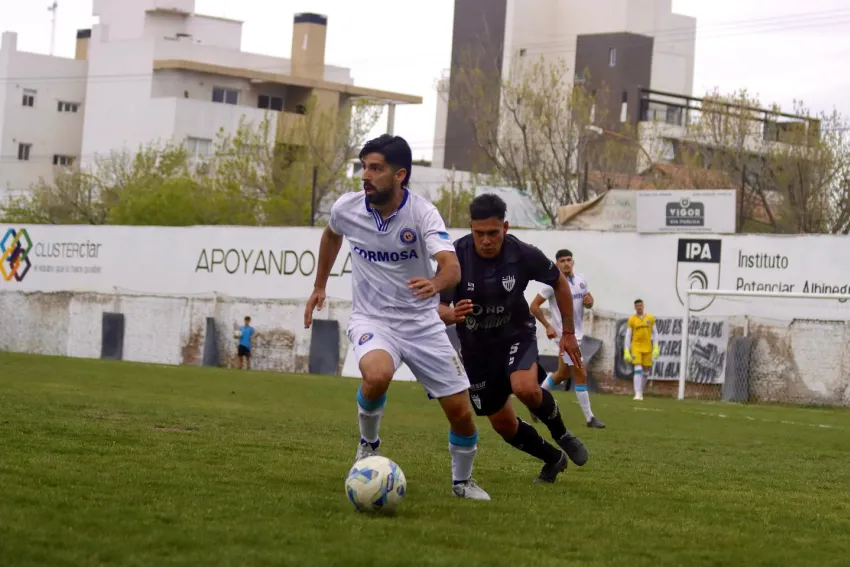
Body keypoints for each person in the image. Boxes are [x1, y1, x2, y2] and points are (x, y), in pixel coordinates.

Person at [304, 134, 490, 501]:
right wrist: (320, 285)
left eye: (375, 168)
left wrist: (435, 283)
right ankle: (369, 444)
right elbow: (331, 236)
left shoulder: (422, 213)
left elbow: (451, 267)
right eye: (363, 167)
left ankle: (462, 482)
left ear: (400, 174)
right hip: (373, 319)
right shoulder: (347, 208)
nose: (365, 175)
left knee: (461, 413)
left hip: (422, 323)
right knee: (377, 375)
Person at [437, 193, 589, 484]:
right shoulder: (455, 258)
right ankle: (553, 458)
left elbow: (558, 281)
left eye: (493, 233)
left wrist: (568, 333)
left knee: (525, 388)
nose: (486, 240)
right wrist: (450, 314)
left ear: (505, 228)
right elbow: (440, 306)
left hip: (515, 334)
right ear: (470, 228)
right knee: (503, 425)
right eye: (479, 233)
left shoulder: (521, 253)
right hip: (477, 351)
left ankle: (562, 433)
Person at [530, 250, 605, 428]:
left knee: (562, 374)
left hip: (576, 334)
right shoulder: (551, 284)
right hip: (564, 337)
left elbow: (588, 303)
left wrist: (590, 302)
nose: (566, 263)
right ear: (557, 264)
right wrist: (548, 325)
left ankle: (534, 403)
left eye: (568, 260)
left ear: (573, 262)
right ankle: (589, 418)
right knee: (581, 373)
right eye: (562, 261)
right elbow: (533, 306)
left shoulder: (580, 281)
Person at [624, 299, 660, 401]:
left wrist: (656, 347)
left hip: (647, 347)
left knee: (646, 371)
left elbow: (655, 333)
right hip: (636, 347)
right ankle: (638, 393)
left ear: (643, 306)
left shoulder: (650, 318)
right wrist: (627, 350)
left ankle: (640, 390)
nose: (639, 307)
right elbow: (628, 335)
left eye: (640, 305)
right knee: (638, 369)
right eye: (637, 306)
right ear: (635, 307)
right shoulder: (632, 320)